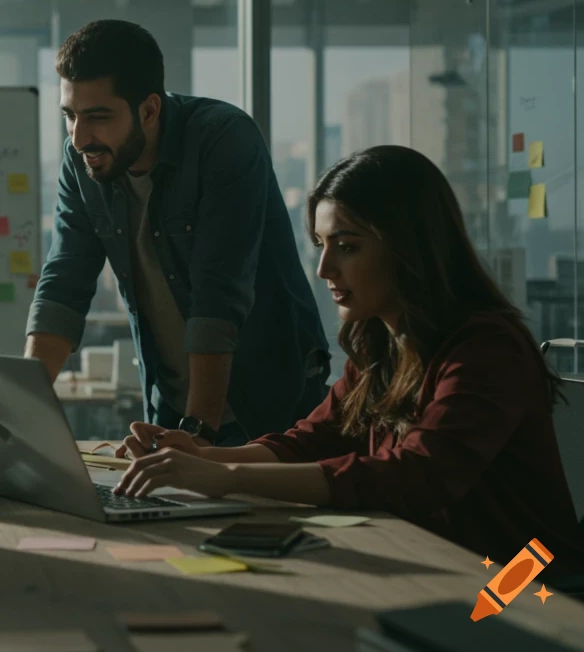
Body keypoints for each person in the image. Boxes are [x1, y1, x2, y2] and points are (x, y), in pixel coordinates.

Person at [114, 145, 584, 575]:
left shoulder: (487, 348)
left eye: (347, 246)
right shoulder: (381, 343)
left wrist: (224, 477)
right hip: (442, 566)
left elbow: (419, 475)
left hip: (527, 584)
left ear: (408, 245)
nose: (324, 270)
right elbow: (314, 439)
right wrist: (203, 456)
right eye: (321, 246)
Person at [25, 19, 328, 447]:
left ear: (149, 109)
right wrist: (21, 409)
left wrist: (199, 432)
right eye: (70, 116)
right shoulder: (84, 161)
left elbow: (218, 295)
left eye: (98, 117)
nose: (78, 138)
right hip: (170, 404)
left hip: (268, 402)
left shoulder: (223, 138)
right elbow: (64, 281)